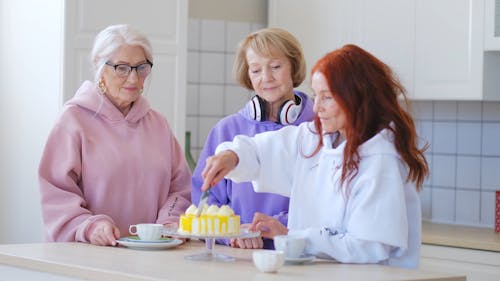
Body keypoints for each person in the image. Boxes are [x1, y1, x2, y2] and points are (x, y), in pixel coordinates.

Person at [200, 44, 429, 268]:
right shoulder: (314, 139)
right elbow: (260, 152)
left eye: (327, 97)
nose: (317, 107)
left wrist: (295, 236)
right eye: (315, 96)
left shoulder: (380, 158)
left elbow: (368, 247)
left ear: (357, 98)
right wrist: (232, 156)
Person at [38, 24, 191, 246]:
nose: (133, 79)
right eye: (121, 68)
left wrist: (170, 221)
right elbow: (56, 192)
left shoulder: (157, 124)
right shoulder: (73, 120)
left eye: (141, 68)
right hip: (89, 254)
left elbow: (180, 188)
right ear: (98, 64)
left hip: (152, 256)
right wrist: (90, 226)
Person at [191, 28, 314, 249]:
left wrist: (278, 227)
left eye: (276, 67)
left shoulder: (319, 125)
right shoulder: (226, 130)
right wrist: (232, 235)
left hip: (301, 251)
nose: (266, 78)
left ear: (294, 66)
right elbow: (204, 202)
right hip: (238, 254)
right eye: (256, 70)